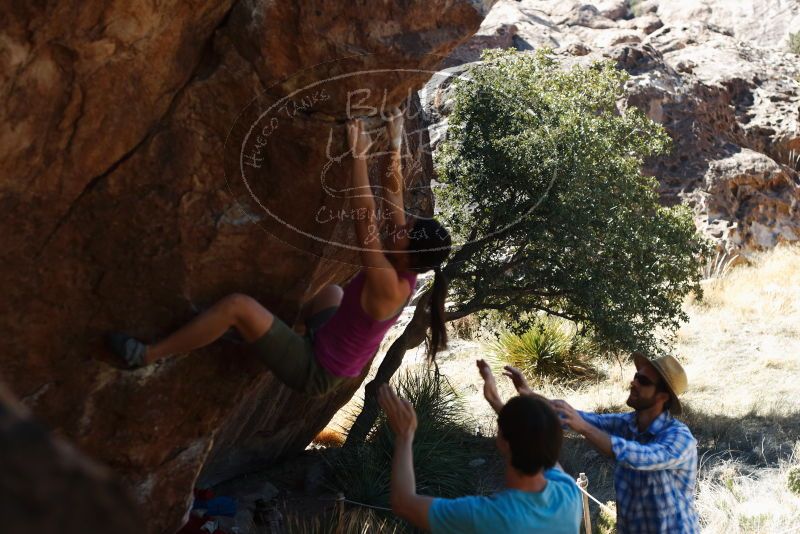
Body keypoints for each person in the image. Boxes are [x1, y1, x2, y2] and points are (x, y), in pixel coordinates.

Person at [107, 110, 452, 396]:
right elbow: (393, 199)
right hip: (328, 336)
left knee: (236, 305)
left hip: (316, 370)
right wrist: (393, 143)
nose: (399, 227)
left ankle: (146, 355)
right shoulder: (407, 255)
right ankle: (281, 334)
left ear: (410, 258)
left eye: (404, 233)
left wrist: (358, 156)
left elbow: (365, 219)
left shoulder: (390, 286)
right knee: (331, 291)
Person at [376, 360, 582, 533]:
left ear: (503, 441)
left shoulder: (488, 516)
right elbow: (538, 439)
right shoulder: (568, 493)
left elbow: (404, 503)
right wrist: (496, 401)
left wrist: (404, 435)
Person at [505, 352, 700, 533]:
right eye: (636, 376)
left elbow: (642, 457)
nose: (633, 383)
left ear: (662, 396)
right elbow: (574, 417)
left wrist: (583, 427)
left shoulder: (679, 438)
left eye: (643, 380)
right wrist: (528, 393)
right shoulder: (626, 423)